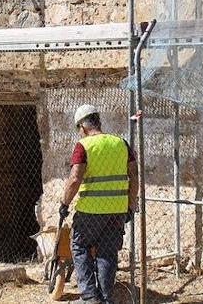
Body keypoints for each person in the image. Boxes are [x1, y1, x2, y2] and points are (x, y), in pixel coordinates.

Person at [58, 104, 137, 304]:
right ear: (98, 121)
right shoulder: (121, 143)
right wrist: (130, 205)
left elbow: (74, 179)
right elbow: (134, 176)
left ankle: (91, 297)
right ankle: (106, 298)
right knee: (107, 253)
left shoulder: (83, 146)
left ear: (82, 127)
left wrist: (64, 204)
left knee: (79, 246)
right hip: (117, 210)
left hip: (90, 211)